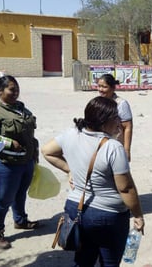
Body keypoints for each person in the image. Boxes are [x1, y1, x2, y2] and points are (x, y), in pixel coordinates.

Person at [41, 96, 144, 266]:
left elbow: (47, 151)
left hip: (76, 209)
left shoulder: (71, 133)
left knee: (83, 260)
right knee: (109, 263)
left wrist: (70, 170)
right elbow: (125, 188)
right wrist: (138, 215)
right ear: (104, 122)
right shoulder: (113, 147)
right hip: (108, 216)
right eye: (116, 118)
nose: (119, 123)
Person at [0, 75, 39, 249]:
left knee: (20, 194)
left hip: (25, 162)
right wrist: (8, 142)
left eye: (17, 89)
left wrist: (34, 154)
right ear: (0, 91)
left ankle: (20, 221)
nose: (15, 92)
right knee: (3, 200)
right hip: (5, 165)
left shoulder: (20, 108)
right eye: (11, 89)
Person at [97, 74, 133, 161]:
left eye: (104, 87)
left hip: (115, 145)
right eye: (99, 86)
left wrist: (127, 150)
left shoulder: (121, 104)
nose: (100, 90)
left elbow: (127, 127)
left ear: (113, 88)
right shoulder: (98, 102)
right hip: (100, 145)